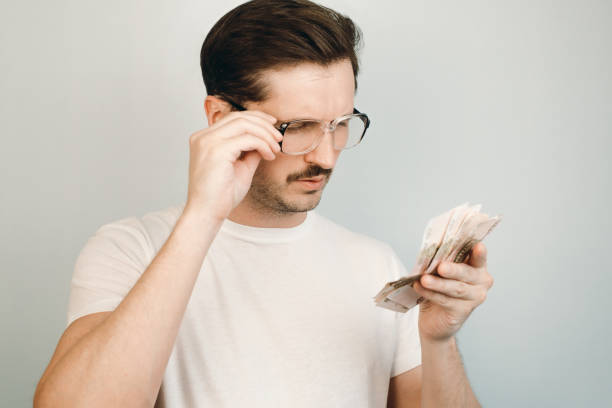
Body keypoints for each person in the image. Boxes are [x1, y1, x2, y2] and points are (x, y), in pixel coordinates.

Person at [34, 0, 493, 406]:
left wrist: (438, 342)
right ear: (220, 119)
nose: (326, 155)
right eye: (298, 127)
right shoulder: (129, 249)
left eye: (340, 123)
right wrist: (203, 214)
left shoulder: (373, 263)